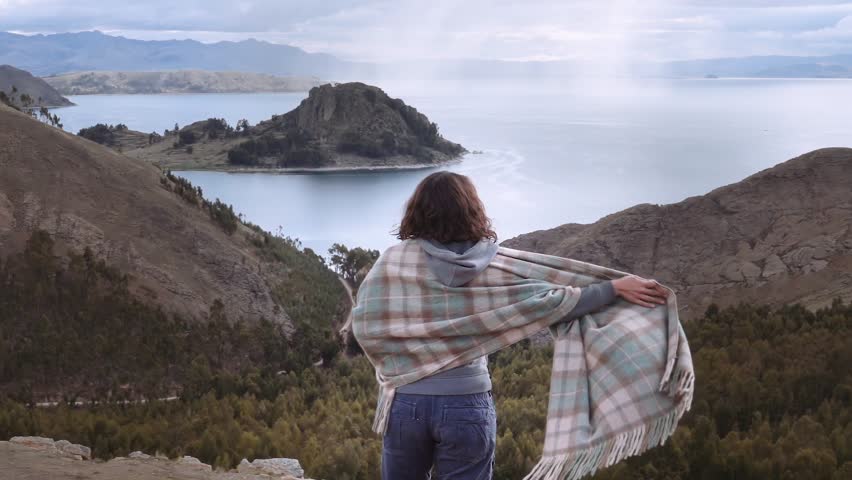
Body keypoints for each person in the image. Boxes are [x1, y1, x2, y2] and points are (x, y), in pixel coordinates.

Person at [380, 171, 671, 480]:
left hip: (406, 401)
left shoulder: (394, 263)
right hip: (466, 403)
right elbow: (550, 302)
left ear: (417, 211)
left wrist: (402, 364)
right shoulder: (490, 265)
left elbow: (367, 324)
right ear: (471, 211)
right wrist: (612, 288)